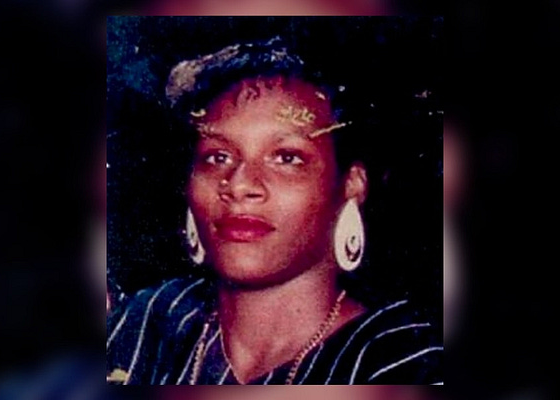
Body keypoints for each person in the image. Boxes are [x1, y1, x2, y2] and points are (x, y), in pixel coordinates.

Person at [106, 36, 442, 385]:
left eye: (286, 158)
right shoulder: (150, 322)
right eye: (217, 157)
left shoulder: (401, 364)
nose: (238, 185)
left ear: (351, 185)